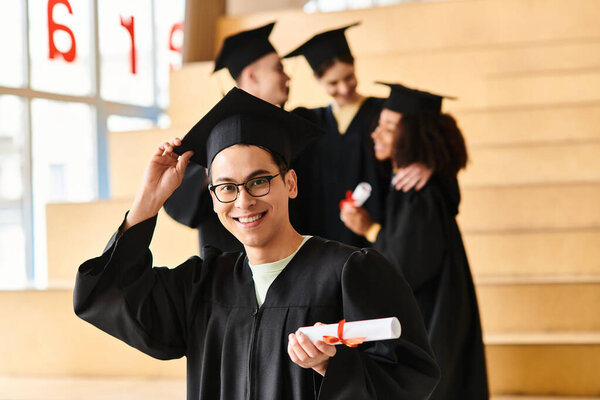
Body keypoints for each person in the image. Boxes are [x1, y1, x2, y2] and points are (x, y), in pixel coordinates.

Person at [74, 88, 440, 399]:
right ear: (214, 197)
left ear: (291, 184)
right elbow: (105, 296)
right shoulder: (202, 287)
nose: (244, 201)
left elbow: (410, 377)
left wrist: (333, 366)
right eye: (227, 187)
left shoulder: (349, 273)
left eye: (259, 181)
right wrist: (148, 202)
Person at [340, 83, 489, 399]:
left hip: (432, 321)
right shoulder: (413, 179)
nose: (376, 133)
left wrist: (369, 230)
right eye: (379, 124)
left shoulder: (418, 191)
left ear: (415, 137)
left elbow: (404, 268)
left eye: (390, 128)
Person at [284, 23, 432, 248]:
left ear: (354, 65)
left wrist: (426, 163)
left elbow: (429, 142)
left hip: (377, 235)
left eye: (349, 77)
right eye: (333, 83)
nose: (344, 88)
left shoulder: (382, 113)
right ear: (317, 80)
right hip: (323, 237)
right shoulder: (309, 123)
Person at [163, 22, 290, 254]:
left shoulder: (290, 126)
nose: (287, 76)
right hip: (229, 269)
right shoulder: (215, 133)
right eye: (278, 69)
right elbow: (178, 202)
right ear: (252, 76)